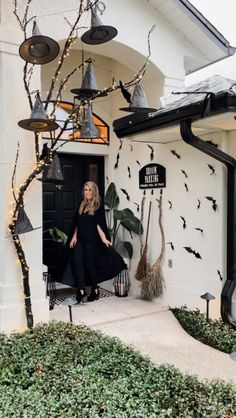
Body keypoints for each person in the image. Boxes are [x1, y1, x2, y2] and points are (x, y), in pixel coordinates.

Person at [61, 181, 128, 303]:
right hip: (80, 239)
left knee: (89, 265)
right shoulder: (81, 204)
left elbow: (99, 225)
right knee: (77, 261)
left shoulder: (97, 205)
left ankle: (95, 289)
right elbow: (77, 223)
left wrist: (103, 239)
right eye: (85, 190)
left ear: (94, 191)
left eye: (89, 190)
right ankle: (81, 290)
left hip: (92, 241)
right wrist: (74, 237)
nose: (87, 192)